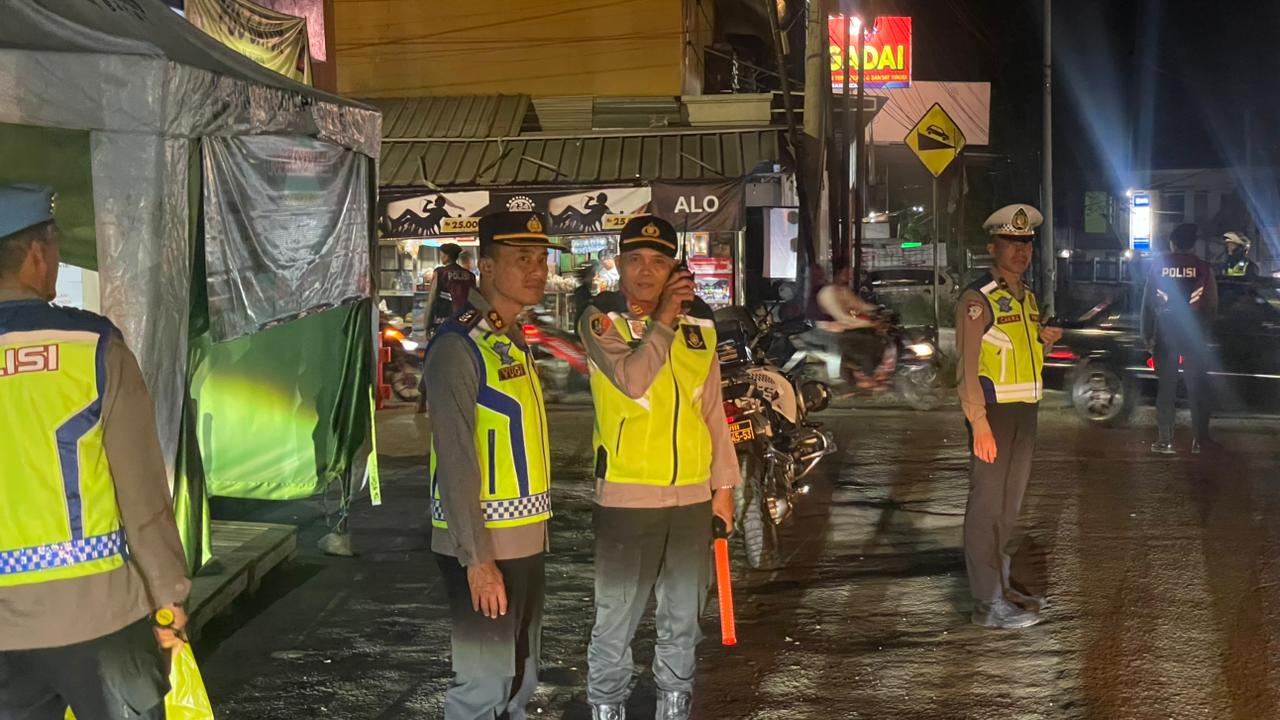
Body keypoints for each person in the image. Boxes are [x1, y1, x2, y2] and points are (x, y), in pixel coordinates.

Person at [0, 184, 191, 718]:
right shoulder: (93, 348)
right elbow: (142, 494)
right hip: (100, 617)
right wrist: (169, 596)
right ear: (37, 253)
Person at [578, 216, 739, 720]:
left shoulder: (701, 324)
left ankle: (674, 707)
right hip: (627, 497)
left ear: (675, 268)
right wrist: (664, 319)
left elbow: (712, 411)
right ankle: (607, 707)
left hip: (691, 497)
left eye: (658, 261)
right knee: (616, 621)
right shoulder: (601, 319)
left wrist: (724, 488)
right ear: (618, 264)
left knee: (683, 621)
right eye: (635, 260)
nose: (646, 272)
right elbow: (633, 382)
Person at [424, 210, 565, 720]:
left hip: (524, 538)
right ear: (485, 265)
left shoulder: (506, 338)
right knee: (484, 684)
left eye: (541, 259)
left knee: (521, 676)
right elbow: (456, 460)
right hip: (483, 543)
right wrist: (477, 561)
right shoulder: (458, 345)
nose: (538, 270)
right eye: (522, 258)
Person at [954, 203, 1062, 630]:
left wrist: (1045, 340)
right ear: (992, 247)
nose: (1021, 251)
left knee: (1008, 509)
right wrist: (978, 421)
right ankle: (986, 604)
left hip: (1024, 413)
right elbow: (967, 366)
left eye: (1026, 243)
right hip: (994, 415)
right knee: (986, 509)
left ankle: (1000, 589)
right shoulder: (977, 298)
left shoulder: (1027, 298)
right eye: (1012, 243)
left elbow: (1022, 355)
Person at [1142, 222, 1219, 455]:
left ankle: (1165, 440)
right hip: (1193, 335)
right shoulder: (1204, 268)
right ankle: (1199, 441)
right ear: (1193, 245)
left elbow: (1148, 304)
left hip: (1166, 334)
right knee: (1197, 388)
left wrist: (1147, 335)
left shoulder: (1159, 267)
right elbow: (1211, 305)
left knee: (1166, 389)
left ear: (1172, 244)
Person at [815, 264, 887, 387]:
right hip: (831, 331)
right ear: (837, 274)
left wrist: (877, 310)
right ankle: (865, 375)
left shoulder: (843, 290)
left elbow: (859, 305)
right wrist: (869, 323)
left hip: (847, 329)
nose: (848, 277)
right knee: (869, 342)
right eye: (846, 273)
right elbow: (842, 317)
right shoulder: (827, 293)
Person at [424, 242, 478, 336]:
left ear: (447, 256)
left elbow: (432, 298)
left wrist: (427, 325)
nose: (441, 257)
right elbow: (475, 300)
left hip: (444, 320)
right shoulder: (470, 275)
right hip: (464, 321)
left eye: (442, 254)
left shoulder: (440, 272)